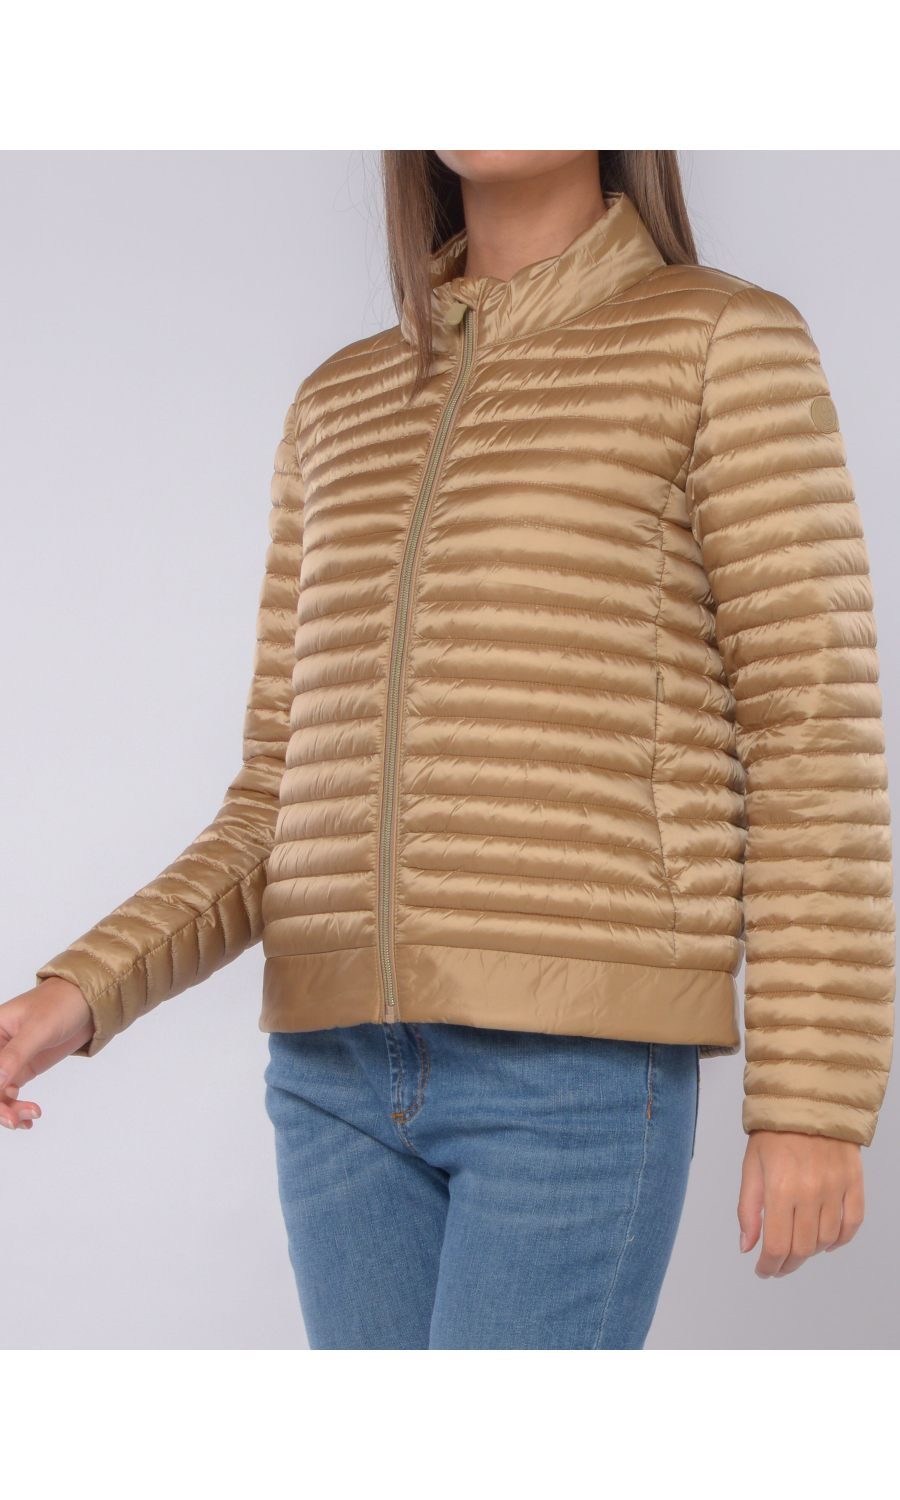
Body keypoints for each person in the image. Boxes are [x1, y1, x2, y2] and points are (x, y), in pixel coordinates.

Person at [0, 151, 894, 1349]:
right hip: (332, 1082)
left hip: (573, 1068)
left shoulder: (719, 343)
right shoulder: (338, 405)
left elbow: (808, 733)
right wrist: (80, 992)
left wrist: (813, 1097)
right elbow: (278, 801)